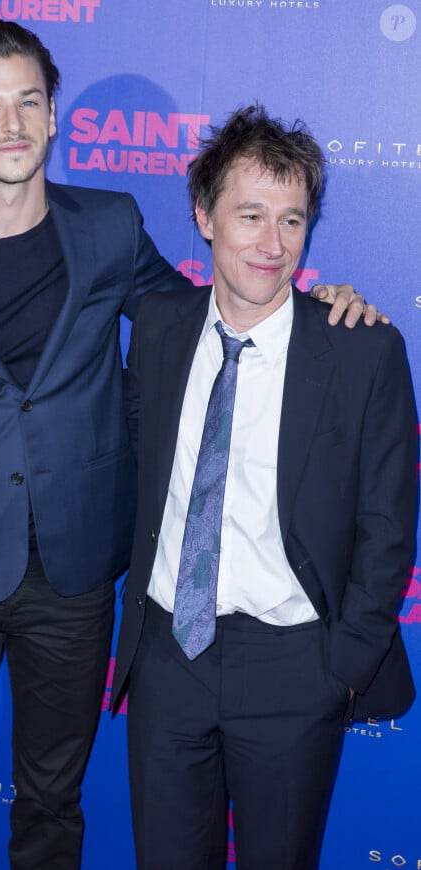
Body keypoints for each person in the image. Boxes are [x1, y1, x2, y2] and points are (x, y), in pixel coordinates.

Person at [0, 18, 379, 870]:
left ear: (54, 113)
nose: (13, 122)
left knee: (52, 804)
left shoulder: (106, 227)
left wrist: (326, 306)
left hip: (75, 578)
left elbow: (205, 312)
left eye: (29, 100)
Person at [111, 105, 417, 870]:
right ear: (203, 216)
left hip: (295, 668)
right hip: (168, 661)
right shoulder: (156, 325)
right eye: (250, 215)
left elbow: (388, 526)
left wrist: (341, 668)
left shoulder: (363, 350)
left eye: (292, 219)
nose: (273, 244)